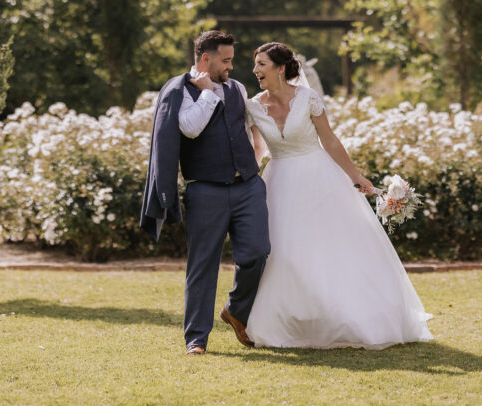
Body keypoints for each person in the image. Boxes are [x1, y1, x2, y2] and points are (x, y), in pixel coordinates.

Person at [244, 42, 432, 349]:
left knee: (329, 248)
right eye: (255, 64)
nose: (255, 71)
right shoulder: (252, 106)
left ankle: (343, 316)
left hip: (318, 179)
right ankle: (293, 321)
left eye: (261, 64)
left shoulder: (308, 99)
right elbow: (258, 149)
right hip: (277, 182)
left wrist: (356, 176)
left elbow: (330, 142)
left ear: (280, 69)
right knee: (284, 252)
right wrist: (244, 179)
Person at [140, 30, 270, 355]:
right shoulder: (180, 90)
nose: (230, 67)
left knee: (257, 253)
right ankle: (196, 339)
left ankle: (235, 310)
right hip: (206, 191)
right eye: (225, 61)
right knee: (202, 265)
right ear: (205, 59)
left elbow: (249, 128)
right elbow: (190, 127)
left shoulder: (238, 88)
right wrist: (208, 93)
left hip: (247, 187)